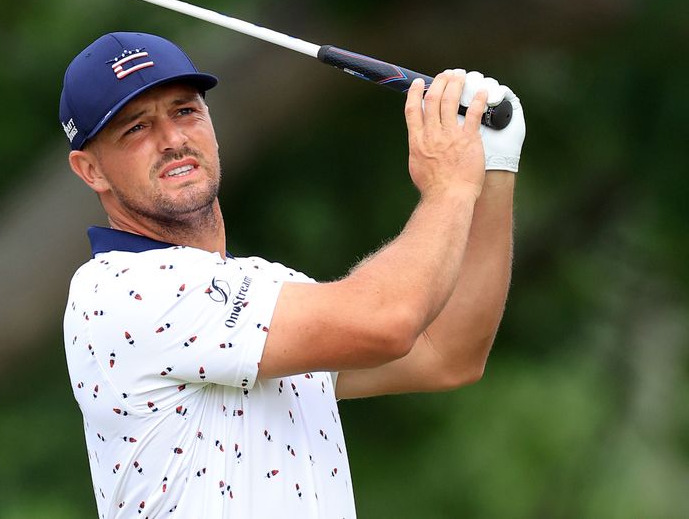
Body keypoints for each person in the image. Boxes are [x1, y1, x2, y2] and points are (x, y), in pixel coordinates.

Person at [59, 31, 525, 517]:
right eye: (135, 128)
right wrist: (449, 188)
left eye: (185, 111)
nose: (173, 139)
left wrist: (493, 167)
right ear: (90, 169)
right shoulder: (120, 290)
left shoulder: (262, 287)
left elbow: (445, 353)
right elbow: (389, 322)